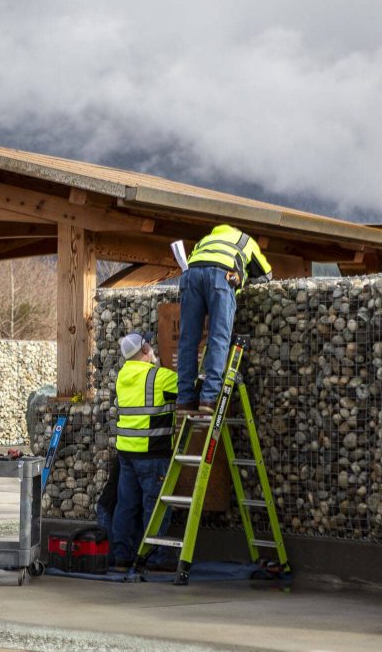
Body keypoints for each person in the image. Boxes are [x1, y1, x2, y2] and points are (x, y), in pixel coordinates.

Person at [176, 224, 272, 414]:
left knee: (187, 339)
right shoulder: (245, 240)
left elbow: (190, 262)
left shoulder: (204, 241)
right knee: (218, 338)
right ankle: (209, 399)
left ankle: (185, 400)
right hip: (222, 276)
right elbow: (267, 274)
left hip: (190, 276)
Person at [111, 331, 178, 571]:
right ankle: (155, 559)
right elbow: (191, 387)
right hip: (153, 454)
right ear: (146, 350)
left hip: (127, 453)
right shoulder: (160, 377)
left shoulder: (121, 377)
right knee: (155, 507)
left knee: (126, 505)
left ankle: (122, 557)